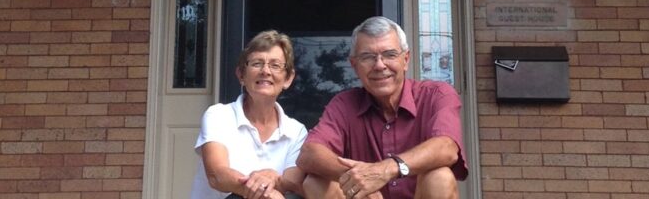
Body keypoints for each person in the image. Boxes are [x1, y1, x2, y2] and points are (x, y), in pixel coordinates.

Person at [296, 17, 467, 199]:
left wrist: (385, 170)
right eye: (368, 57)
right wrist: (358, 179)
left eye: (390, 55)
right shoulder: (344, 104)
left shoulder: (437, 94)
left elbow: (447, 148)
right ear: (354, 65)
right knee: (316, 182)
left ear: (405, 60)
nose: (379, 65)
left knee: (439, 176)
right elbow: (309, 153)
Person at [192, 30, 307, 199]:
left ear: (288, 78)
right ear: (241, 75)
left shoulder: (297, 132)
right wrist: (266, 189)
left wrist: (274, 178)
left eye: (275, 65)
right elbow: (217, 175)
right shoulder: (218, 115)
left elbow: (293, 182)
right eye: (257, 63)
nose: (266, 71)